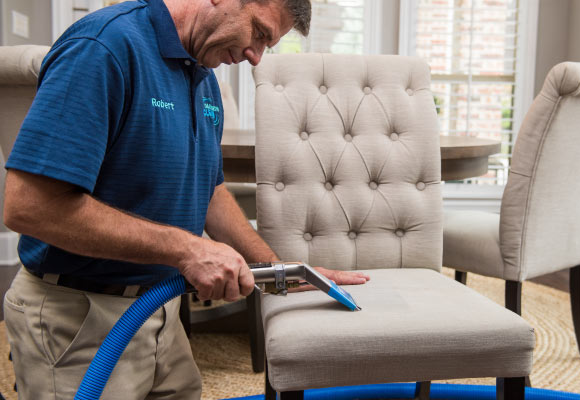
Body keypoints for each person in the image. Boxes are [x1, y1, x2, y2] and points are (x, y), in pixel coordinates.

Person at [2, 0, 369, 398]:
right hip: (80, 315)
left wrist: (278, 269)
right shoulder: (104, 46)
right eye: (259, 33)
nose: (256, 57)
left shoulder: (203, 74)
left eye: (268, 45)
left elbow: (209, 191)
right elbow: (30, 207)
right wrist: (187, 249)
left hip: (161, 310)